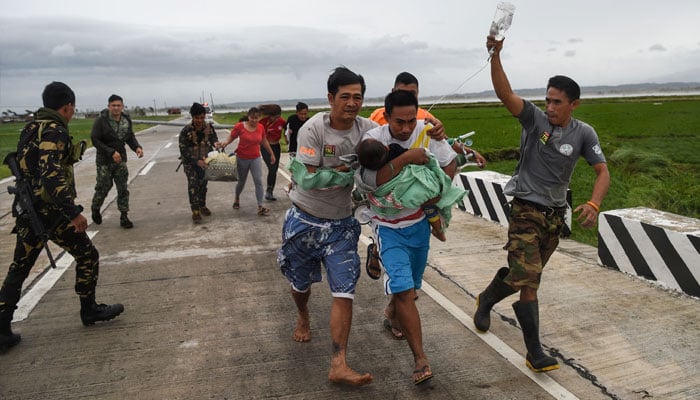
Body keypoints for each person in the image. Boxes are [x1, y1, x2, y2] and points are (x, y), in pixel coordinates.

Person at [473, 36, 610, 373]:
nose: (550, 107)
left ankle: (487, 298)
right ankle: (535, 352)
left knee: (524, 275)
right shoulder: (535, 121)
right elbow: (505, 94)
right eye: (547, 100)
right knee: (530, 280)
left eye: (557, 102)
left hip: (554, 216)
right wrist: (495, 56)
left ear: (573, 104)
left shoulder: (584, 134)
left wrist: (594, 203)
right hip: (525, 211)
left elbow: (603, 171)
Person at [0, 82, 124, 351]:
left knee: (19, 267)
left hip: (28, 210)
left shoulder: (31, 127)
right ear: (67, 106)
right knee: (87, 254)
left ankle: (1, 327)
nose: (71, 113)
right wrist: (73, 213)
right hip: (50, 212)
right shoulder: (54, 130)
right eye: (72, 109)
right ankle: (89, 309)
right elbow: (51, 175)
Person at [355, 89, 458, 385]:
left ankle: (392, 312)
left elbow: (450, 163)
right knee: (402, 289)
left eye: (411, 121)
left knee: (411, 289)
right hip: (388, 228)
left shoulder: (427, 133)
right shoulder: (373, 140)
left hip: (418, 225)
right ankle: (420, 359)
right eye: (399, 122)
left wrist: (437, 193)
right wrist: (409, 158)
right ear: (386, 118)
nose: (405, 128)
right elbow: (370, 180)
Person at [355, 138, 466, 242]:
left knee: (427, 206)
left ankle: (439, 231)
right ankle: (439, 231)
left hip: (398, 201)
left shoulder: (369, 173)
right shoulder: (395, 149)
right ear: (386, 147)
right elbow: (418, 157)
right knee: (429, 206)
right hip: (415, 185)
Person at [90, 94, 144, 229]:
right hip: (104, 161)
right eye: (113, 105)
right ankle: (95, 208)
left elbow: (130, 136)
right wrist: (110, 152)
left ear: (122, 106)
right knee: (103, 187)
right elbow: (95, 140)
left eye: (118, 105)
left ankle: (124, 216)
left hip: (120, 161)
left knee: (122, 188)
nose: (116, 108)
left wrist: (137, 147)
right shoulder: (101, 121)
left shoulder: (126, 119)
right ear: (108, 106)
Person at [216, 107, 275, 216]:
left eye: (256, 118)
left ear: (259, 118)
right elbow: (231, 137)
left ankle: (260, 206)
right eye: (252, 118)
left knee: (258, 181)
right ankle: (237, 198)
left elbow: (264, 141)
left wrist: (271, 153)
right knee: (241, 182)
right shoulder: (240, 126)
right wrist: (225, 143)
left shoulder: (261, 127)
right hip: (242, 158)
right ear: (248, 117)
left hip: (256, 158)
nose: (254, 120)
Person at [178, 102, 219, 224]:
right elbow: (183, 151)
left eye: (202, 117)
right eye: (197, 118)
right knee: (193, 185)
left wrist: (216, 143)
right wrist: (196, 161)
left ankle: (202, 205)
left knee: (203, 185)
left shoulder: (208, 127)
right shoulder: (186, 131)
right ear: (192, 116)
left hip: (205, 161)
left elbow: (213, 138)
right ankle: (195, 211)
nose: (200, 120)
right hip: (190, 163)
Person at [369, 72, 435, 125]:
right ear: (393, 92)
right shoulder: (376, 117)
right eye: (401, 93)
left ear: (418, 93)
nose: (407, 98)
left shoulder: (427, 119)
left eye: (412, 94)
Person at [259, 104, 285, 201]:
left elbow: (289, 128)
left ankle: (270, 191)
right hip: (266, 147)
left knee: (274, 170)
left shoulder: (281, 121)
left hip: (276, 147)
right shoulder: (262, 122)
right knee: (272, 167)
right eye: (274, 117)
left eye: (278, 117)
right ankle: (269, 191)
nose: (276, 119)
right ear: (270, 115)